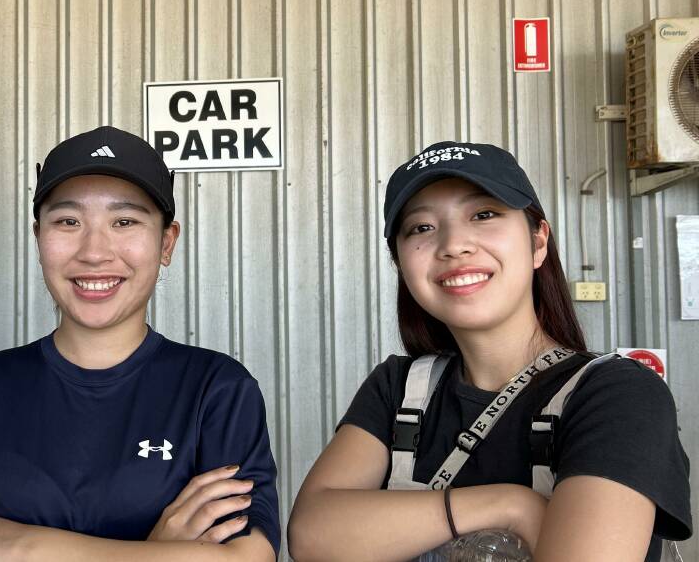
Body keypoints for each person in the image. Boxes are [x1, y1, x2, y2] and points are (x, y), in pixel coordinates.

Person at [287, 141, 692, 561]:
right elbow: (311, 535)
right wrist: (512, 506)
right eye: (421, 228)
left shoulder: (618, 394)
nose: (454, 245)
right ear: (401, 265)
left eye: (484, 214)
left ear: (538, 242)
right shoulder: (397, 388)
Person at [0, 126, 280, 561]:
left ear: (166, 242)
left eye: (124, 221)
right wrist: (156, 552)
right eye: (68, 221)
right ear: (38, 237)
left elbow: (247, 556)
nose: (95, 252)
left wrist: (20, 546)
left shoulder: (217, 389)